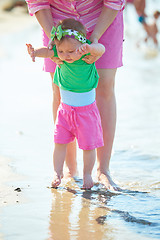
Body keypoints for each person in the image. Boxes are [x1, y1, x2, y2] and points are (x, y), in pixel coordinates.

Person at [25, 0, 125, 191]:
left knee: (104, 87)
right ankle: (69, 171)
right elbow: (38, 2)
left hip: (103, 17)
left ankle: (103, 170)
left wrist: (94, 40)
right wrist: (54, 41)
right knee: (60, 87)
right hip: (57, 25)